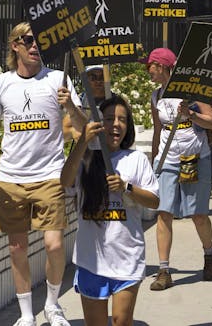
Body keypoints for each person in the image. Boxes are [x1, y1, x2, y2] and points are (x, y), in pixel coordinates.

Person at [0, 22, 87, 326]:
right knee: (17, 248)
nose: (36, 46)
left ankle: (53, 305)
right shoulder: (0, 84)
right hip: (10, 178)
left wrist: (70, 105)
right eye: (29, 40)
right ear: (14, 45)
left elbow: (82, 129)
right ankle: (27, 314)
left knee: (54, 245)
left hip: (50, 176)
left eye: (40, 41)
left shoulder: (58, 79)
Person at [61, 96, 159, 326]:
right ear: (97, 123)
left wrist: (127, 187)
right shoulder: (84, 158)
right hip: (91, 261)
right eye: (108, 119)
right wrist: (83, 143)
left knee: (121, 321)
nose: (116, 124)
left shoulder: (135, 159)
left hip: (127, 259)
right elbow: (65, 181)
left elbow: (154, 200)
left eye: (122, 119)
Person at [145, 48, 212, 291]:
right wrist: (155, 159)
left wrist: (190, 114)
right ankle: (164, 270)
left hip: (193, 157)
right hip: (167, 158)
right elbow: (158, 129)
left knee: (197, 214)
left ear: (165, 66)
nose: (149, 71)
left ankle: (209, 253)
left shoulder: (192, 93)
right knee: (163, 212)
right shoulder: (156, 96)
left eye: (152, 66)